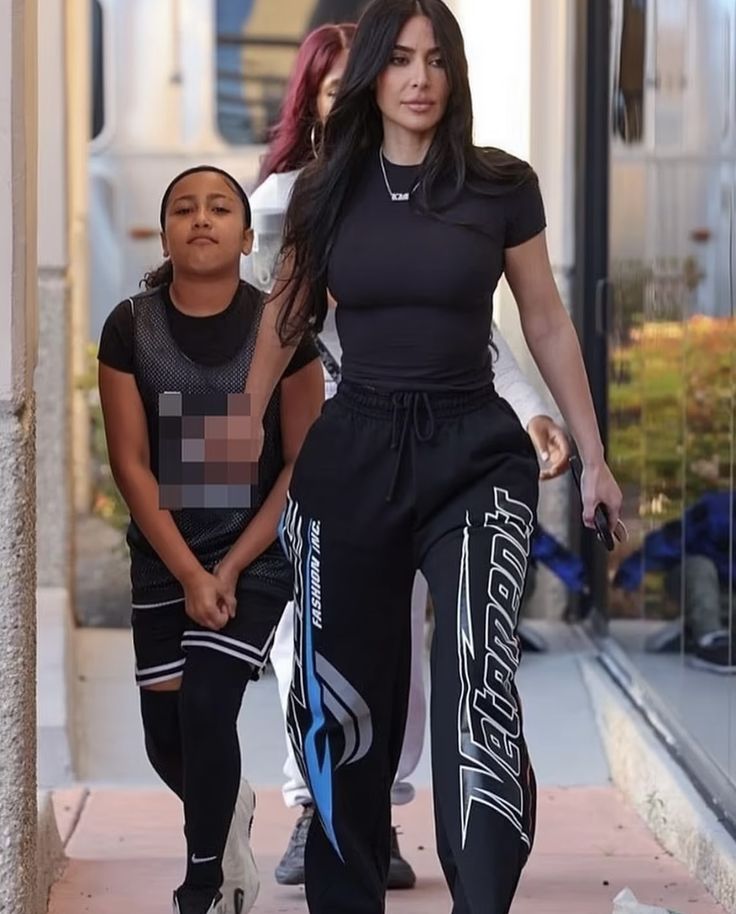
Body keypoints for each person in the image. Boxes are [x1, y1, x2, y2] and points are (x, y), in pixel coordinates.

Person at [244, 1, 623, 911]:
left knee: (473, 672)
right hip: (354, 454)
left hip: (473, 456)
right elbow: (281, 324)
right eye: (402, 60)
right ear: (374, 73)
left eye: (437, 60)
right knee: (346, 692)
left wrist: (598, 460)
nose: (420, 78)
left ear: (455, 75)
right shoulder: (324, 189)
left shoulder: (500, 186)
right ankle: (348, 885)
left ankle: (483, 890)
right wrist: (222, 461)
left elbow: (543, 320)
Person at [97, 165, 324, 914]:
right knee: (168, 737)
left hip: (254, 556)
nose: (202, 218)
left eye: (220, 207)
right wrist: (191, 573)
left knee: (206, 707)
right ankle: (228, 808)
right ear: (164, 233)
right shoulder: (131, 326)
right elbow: (132, 465)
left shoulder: (283, 328)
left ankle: (203, 885)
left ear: (247, 233)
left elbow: (299, 463)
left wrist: (225, 568)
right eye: (184, 209)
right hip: (165, 553)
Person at [613, 492, 736, 672]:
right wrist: (628, 577)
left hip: (728, 596)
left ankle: (696, 630)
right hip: (695, 579)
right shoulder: (719, 511)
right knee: (701, 567)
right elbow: (668, 541)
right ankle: (711, 640)